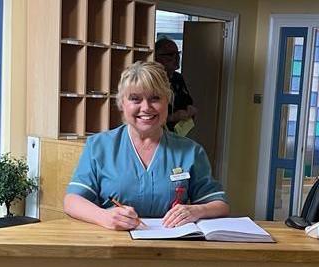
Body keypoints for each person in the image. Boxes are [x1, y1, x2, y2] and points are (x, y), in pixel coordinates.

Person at [63, 61, 229, 230]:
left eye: (155, 98)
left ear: (167, 101)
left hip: (171, 248)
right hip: (112, 245)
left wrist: (197, 210)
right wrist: (104, 217)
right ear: (122, 103)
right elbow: (72, 201)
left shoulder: (190, 151)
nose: (146, 108)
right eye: (135, 99)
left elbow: (219, 204)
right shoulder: (99, 147)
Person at [153, 38, 197, 132]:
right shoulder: (152, 80)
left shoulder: (178, 78)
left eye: (178, 54)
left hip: (177, 133)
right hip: (157, 133)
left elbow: (187, 100)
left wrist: (190, 109)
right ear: (156, 57)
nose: (176, 58)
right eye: (170, 54)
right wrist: (172, 117)